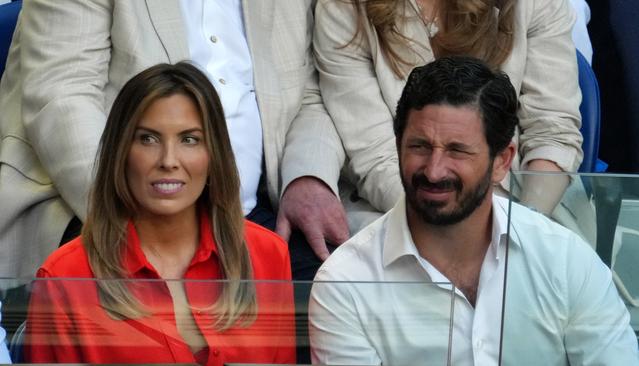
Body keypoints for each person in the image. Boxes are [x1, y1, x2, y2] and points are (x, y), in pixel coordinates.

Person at [309, 57, 639, 366]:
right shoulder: (345, 283)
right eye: (419, 146)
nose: (434, 169)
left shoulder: (564, 258)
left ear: (502, 161)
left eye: (457, 150)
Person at [0, 0, 346, 284]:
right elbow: (63, 97)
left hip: (255, 211)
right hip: (109, 203)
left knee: (331, 297)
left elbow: (309, 95)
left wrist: (307, 177)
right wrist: (134, 215)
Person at [24, 63, 295, 365]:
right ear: (121, 153)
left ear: (213, 155)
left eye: (189, 139)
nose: (169, 160)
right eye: (148, 139)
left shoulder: (268, 254)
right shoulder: (65, 277)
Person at [314, 0, 585, 233]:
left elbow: (553, 131)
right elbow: (375, 157)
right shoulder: (345, 8)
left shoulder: (533, 5)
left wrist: (525, 227)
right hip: (397, 209)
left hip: (526, 208)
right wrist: (468, 239)